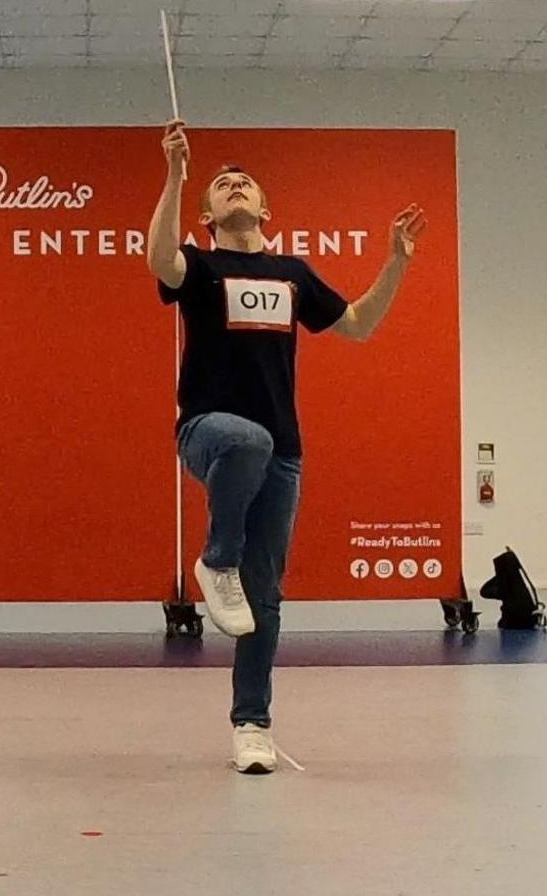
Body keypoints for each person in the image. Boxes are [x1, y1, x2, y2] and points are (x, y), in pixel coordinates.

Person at [146, 120, 426, 774]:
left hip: (283, 456)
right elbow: (161, 260)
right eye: (221, 186)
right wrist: (175, 172)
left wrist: (396, 263)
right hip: (208, 432)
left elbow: (355, 325)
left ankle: (252, 726)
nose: (233, 187)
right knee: (248, 438)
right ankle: (216, 562)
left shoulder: (292, 271)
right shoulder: (202, 264)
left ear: (265, 210)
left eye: (244, 183)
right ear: (208, 215)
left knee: (264, 596)